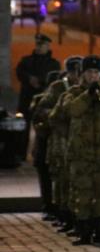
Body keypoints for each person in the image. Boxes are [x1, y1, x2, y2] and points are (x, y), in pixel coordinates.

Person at [59, 55, 100, 245]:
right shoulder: (73, 93)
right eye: (89, 72)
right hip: (81, 152)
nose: (93, 76)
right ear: (83, 73)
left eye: (96, 72)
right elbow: (71, 110)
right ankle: (84, 231)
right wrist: (87, 95)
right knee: (83, 192)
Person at [40, 56, 82, 232]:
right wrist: (59, 116)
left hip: (81, 141)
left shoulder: (86, 89)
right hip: (61, 141)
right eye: (74, 72)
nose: (77, 76)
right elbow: (43, 109)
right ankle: (63, 214)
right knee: (62, 181)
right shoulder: (58, 87)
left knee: (78, 181)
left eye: (80, 72)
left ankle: (79, 217)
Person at [15, 33, 61, 162]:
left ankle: (40, 155)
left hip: (43, 100)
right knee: (23, 127)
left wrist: (39, 81)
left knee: (43, 129)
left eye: (42, 45)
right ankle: (20, 153)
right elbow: (19, 73)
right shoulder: (26, 60)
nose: (39, 48)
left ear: (48, 46)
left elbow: (54, 79)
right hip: (26, 98)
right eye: (38, 45)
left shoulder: (53, 64)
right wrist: (29, 79)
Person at [30, 70, 61, 221]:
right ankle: (47, 206)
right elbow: (38, 122)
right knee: (46, 180)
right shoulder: (41, 100)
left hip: (59, 148)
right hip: (44, 147)